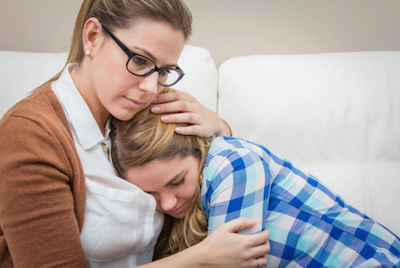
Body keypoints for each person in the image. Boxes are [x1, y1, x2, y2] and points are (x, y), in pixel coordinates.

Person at [0, 0, 270, 267]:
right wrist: (199, 259)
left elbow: (195, 158)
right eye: (140, 60)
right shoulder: (30, 137)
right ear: (92, 37)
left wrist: (219, 127)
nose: (151, 88)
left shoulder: (143, 109)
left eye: (164, 71)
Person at [111, 87, 400, 267]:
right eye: (150, 194)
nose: (168, 203)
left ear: (199, 150)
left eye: (176, 181)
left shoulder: (234, 163)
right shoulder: (181, 210)